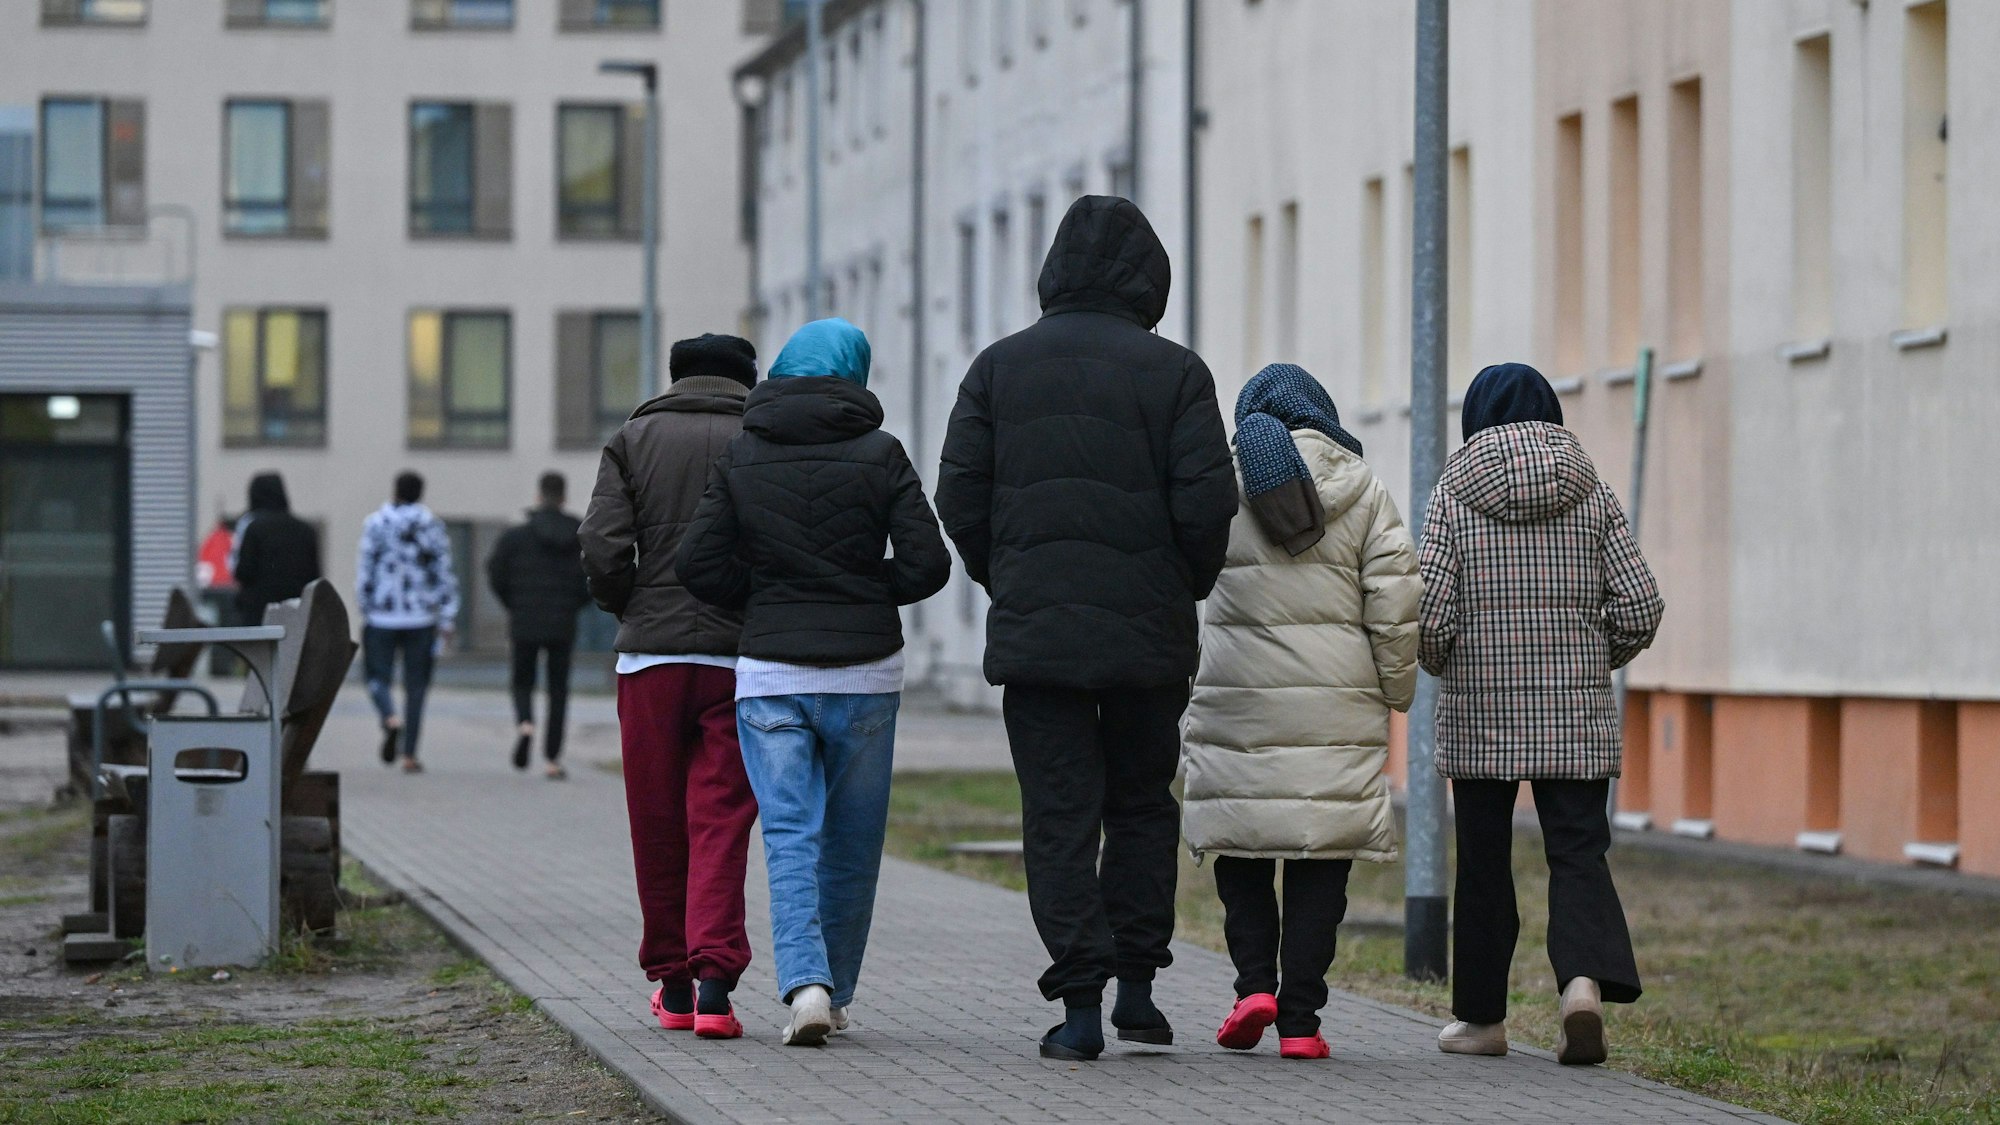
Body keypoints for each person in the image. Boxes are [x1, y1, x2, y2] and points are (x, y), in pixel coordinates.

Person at [935, 196, 1238, 1061]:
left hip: (1039, 641)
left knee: (1058, 815)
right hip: (1148, 638)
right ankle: (1137, 987)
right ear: (1149, 278)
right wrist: (1181, 585)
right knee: (1141, 805)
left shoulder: (997, 369)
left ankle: (1079, 1008)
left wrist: (1010, 577)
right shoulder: (1178, 373)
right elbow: (1208, 504)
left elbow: (959, 496)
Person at [678, 318, 950, 1047]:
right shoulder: (881, 452)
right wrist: (865, 588)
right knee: (852, 844)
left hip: (771, 672)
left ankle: (807, 985)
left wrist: (765, 595)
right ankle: (839, 989)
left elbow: (697, 563)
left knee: (789, 836)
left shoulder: (743, 452)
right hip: (866, 674)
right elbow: (928, 564)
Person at [1418, 362, 1664, 1065]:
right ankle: (1581, 985)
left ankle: (1481, 1021)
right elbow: (1641, 605)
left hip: (1481, 711)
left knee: (1484, 863)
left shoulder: (1452, 493)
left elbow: (1428, 615)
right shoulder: (1592, 491)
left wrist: (1447, 662)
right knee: (1578, 851)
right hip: (1575, 709)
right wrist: (1593, 657)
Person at [1181, 363, 1420, 1061]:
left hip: (1237, 699)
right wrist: (1396, 691)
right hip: (1336, 705)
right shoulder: (1364, 488)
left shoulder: (1220, 485)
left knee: (1242, 841)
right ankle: (1300, 1021)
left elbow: (1180, 575)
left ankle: (1253, 986)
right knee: (1323, 857)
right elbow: (1396, 599)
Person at [580, 333, 763, 1041]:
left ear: (676, 376)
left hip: (650, 660)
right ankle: (715, 988)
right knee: (720, 821)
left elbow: (601, 542)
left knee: (656, 822)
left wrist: (628, 603)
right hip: (736, 658)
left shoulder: (633, 438)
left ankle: (675, 986)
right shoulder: (761, 435)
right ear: (748, 378)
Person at [487, 471, 592, 779]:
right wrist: (574, 605)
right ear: (564, 497)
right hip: (563, 622)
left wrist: (513, 603)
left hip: (525, 620)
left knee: (522, 680)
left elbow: (495, 573)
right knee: (558, 689)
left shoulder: (515, 537)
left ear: (538, 496)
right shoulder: (579, 536)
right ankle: (552, 758)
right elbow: (595, 575)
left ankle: (525, 724)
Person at [357, 470, 460, 774]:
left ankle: (390, 717)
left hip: (382, 614)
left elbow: (365, 569)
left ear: (395, 491)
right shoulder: (431, 524)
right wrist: (447, 615)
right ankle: (410, 755)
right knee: (417, 687)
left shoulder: (375, 523)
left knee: (376, 676)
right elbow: (443, 571)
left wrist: (365, 607)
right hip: (421, 616)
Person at [231, 472, 322, 626]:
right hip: (296, 615)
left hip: (259, 615)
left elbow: (243, 571)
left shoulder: (254, 529)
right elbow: (314, 576)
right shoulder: (305, 530)